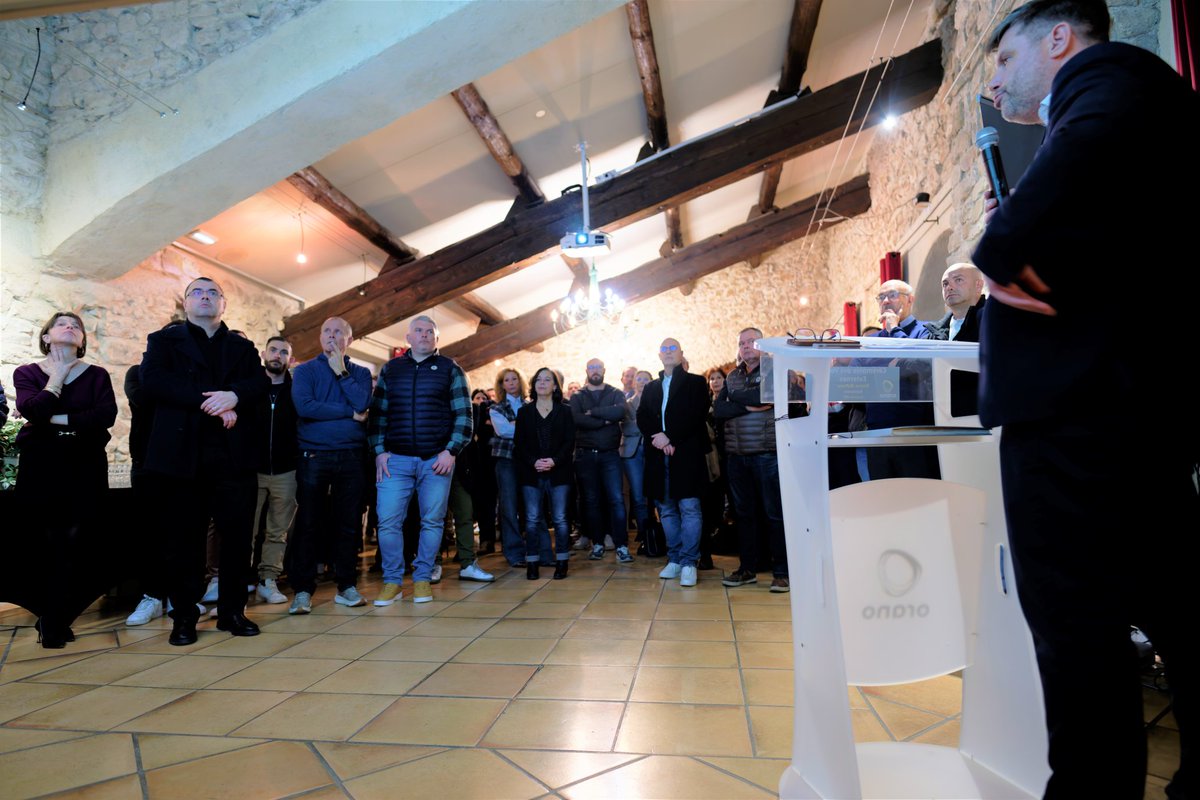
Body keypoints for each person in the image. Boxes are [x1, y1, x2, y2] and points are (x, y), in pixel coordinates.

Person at [974, 3, 1198, 798]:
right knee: (1169, 601)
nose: (995, 80)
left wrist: (1005, 249)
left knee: (1078, 633)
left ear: (1058, 39)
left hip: (1078, 416)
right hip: (1125, 407)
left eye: (1003, 59)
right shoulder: (1127, 100)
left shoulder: (1107, 83)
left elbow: (1050, 213)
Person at [140, 277, 268, 645]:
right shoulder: (162, 341)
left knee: (237, 539)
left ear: (223, 305)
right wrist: (214, 403)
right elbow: (154, 382)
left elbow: (258, 384)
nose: (205, 297)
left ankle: (232, 612)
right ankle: (184, 617)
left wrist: (235, 395)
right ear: (186, 303)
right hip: (182, 457)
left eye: (213, 293)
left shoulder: (241, 347)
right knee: (184, 540)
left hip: (233, 458)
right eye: (197, 292)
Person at [10, 312, 118, 648]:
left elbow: (105, 416)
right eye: (61, 324)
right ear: (46, 337)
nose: (70, 327)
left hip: (84, 462)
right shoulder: (27, 372)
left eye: (77, 326)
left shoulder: (97, 375)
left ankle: (57, 615)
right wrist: (55, 378)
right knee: (42, 542)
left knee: (77, 541)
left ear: (82, 341)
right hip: (41, 464)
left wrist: (50, 416)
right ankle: (51, 617)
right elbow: (31, 408)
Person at [370, 316, 473, 605]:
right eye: (419, 331)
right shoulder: (392, 369)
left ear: (437, 339)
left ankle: (423, 579)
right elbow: (378, 415)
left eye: (430, 332)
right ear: (408, 338)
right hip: (396, 459)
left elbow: (464, 415)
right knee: (388, 521)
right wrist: (379, 451)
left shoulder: (450, 369)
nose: (425, 335)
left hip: (435, 460)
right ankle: (392, 582)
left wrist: (450, 450)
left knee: (432, 521)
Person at [289, 318, 371, 614]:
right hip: (314, 456)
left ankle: (346, 586)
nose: (332, 336)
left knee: (348, 524)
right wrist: (349, 413)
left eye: (339, 332)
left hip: (350, 456)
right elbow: (305, 407)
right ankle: (302, 590)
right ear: (320, 337)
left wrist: (342, 373)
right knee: (309, 523)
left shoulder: (360, 372)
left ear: (349, 340)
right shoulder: (305, 371)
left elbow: (363, 401)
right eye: (326, 331)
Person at [714, 328, 790, 592]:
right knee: (744, 516)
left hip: (766, 453)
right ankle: (747, 569)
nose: (745, 346)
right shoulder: (733, 376)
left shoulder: (774, 368)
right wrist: (746, 404)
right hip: (737, 456)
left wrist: (738, 400)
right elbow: (718, 410)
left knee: (774, 515)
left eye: (751, 342)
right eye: (741, 343)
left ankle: (781, 572)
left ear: (762, 344)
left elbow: (767, 397)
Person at [637, 338, 710, 587]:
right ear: (659, 355)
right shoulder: (651, 387)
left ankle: (690, 562)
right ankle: (675, 558)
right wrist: (659, 437)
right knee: (666, 510)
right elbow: (642, 416)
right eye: (664, 349)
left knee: (689, 508)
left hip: (686, 454)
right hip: (659, 455)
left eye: (673, 349)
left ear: (681, 354)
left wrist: (671, 436)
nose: (668, 353)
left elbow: (696, 415)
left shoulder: (696, 382)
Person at [570, 358, 635, 565]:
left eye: (598, 367)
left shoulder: (615, 392)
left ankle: (622, 546)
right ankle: (597, 543)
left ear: (604, 370)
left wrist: (594, 414)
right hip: (585, 455)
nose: (595, 371)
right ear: (586, 371)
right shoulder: (578, 396)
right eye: (591, 368)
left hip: (610, 454)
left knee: (616, 499)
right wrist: (606, 420)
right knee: (591, 500)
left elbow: (620, 411)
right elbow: (577, 419)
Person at [513, 368, 575, 580]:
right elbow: (519, 445)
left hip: (559, 472)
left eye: (547, 379)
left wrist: (554, 461)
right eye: (538, 379)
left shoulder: (565, 411)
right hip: (531, 472)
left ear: (555, 386)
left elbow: (570, 442)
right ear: (533, 385)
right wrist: (535, 462)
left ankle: (562, 562)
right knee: (531, 519)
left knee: (560, 519)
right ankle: (532, 563)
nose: (542, 383)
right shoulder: (524, 412)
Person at [250, 336, 298, 607]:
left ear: (290, 359)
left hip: (286, 470)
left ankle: (268, 579)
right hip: (252, 470)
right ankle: (237, 581)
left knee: (277, 531)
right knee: (246, 529)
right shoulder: (251, 387)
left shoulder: (295, 390)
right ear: (264, 354)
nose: (277, 355)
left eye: (284, 352)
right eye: (274, 350)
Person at [925, 263, 987, 417]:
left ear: (978, 285)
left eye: (958, 280)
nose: (949, 287)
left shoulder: (992, 321)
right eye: (945, 284)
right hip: (943, 419)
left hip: (984, 419)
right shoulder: (935, 332)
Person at [489, 368, 526, 566]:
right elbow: (503, 431)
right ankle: (514, 553)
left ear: (520, 381)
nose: (511, 383)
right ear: (502, 385)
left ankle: (534, 550)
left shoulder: (530, 404)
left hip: (528, 461)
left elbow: (536, 429)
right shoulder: (496, 408)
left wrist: (516, 423)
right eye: (506, 380)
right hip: (506, 461)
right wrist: (523, 425)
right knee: (509, 507)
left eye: (514, 379)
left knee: (531, 506)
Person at [620, 369, 652, 551]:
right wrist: (646, 425)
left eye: (645, 379)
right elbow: (625, 427)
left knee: (656, 495)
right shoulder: (627, 404)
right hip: (632, 453)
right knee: (639, 496)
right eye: (638, 379)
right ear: (633, 383)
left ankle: (656, 531)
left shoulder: (657, 401)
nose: (641, 381)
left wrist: (638, 425)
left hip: (653, 450)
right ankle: (643, 533)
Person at [469, 389, 498, 555]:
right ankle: (483, 540)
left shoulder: (491, 411)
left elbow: (488, 432)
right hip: (473, 464)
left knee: (490, 503)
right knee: (478, 504)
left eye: (483, 397)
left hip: (490, 463)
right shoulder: (472, 413)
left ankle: (489, 540)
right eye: (477, 397)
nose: (481, 400)